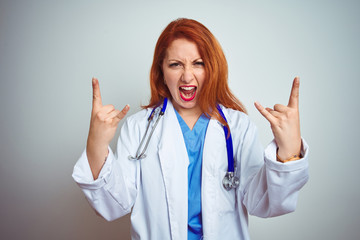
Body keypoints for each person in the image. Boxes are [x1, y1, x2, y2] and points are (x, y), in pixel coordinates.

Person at [72, 18, 309, 240]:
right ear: (161, 73)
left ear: (212, 69)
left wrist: (288, 152)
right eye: (175, 65)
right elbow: (114, 205)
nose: (187, 76)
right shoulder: (138, 128)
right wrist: (96, 145)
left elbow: (263, 203)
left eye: (198, 63)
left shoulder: (237, 127)